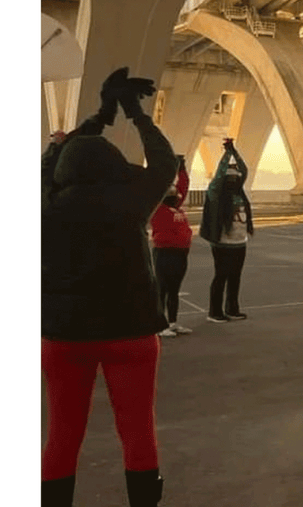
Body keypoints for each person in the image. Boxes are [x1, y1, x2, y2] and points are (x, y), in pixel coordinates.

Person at [41, 67, 173, 507]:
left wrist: (99, 115)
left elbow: (54, 157)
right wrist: (133, 112)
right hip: (131, 332)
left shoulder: (45, 203)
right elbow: (165, 162)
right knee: (138, 431)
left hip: (64, 336)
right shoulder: (131, 198)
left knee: (62, 434)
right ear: (115, 166)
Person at [199, 138, 254, 323]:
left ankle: (232, 308)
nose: (235, 179)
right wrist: (227, 154)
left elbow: (245, 170)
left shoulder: (239, 193)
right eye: (231, 178)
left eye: (236, 178)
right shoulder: (216, 193)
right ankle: (214, 312)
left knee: (235, 277)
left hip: (240, 242)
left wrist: (235, 152)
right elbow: (219, 175)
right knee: (221, 277)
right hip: (223, 243)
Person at [150, 155, 194, 337]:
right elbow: (155, 188)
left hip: (180, 253)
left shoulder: (177, 207)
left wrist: (181, 168)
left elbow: (183, 185)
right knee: (163, 289)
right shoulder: (158, 209)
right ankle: (160, 325)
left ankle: (173, 322)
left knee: (174, 290)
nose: (175, 195)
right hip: (165, 253)